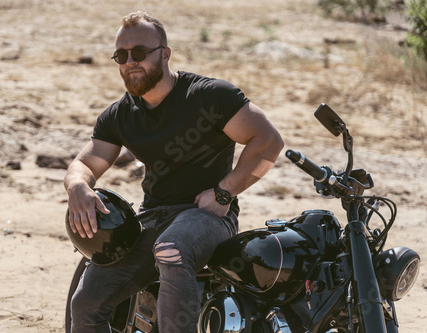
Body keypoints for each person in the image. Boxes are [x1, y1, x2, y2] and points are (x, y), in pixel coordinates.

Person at [64, 11, 284, 333]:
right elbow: (84, 164)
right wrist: (78, 187)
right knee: (85, 303)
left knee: (172, 249)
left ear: (165, 54)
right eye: (121, 55)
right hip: (152, 219)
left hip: (208, 216)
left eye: (139, 53)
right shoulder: (121, 115)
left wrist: (224, 192)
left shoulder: (209, 96)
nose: (130, 62)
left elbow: (269, 142)